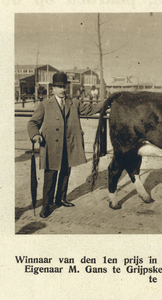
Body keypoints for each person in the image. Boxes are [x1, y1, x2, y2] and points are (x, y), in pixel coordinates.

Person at [27, 72, 104, 218]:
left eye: (64, 87)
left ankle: (61, 198)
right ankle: (46, 205)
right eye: (59, 87)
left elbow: (90, 109)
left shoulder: (73, 102)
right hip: (51, 147)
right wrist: (36, 135)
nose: (62, 90)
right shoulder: (45, 104)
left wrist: (106, 103)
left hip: (68, 146)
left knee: (65, 173)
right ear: (53, 89)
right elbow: (32, 123)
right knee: (50, 176)